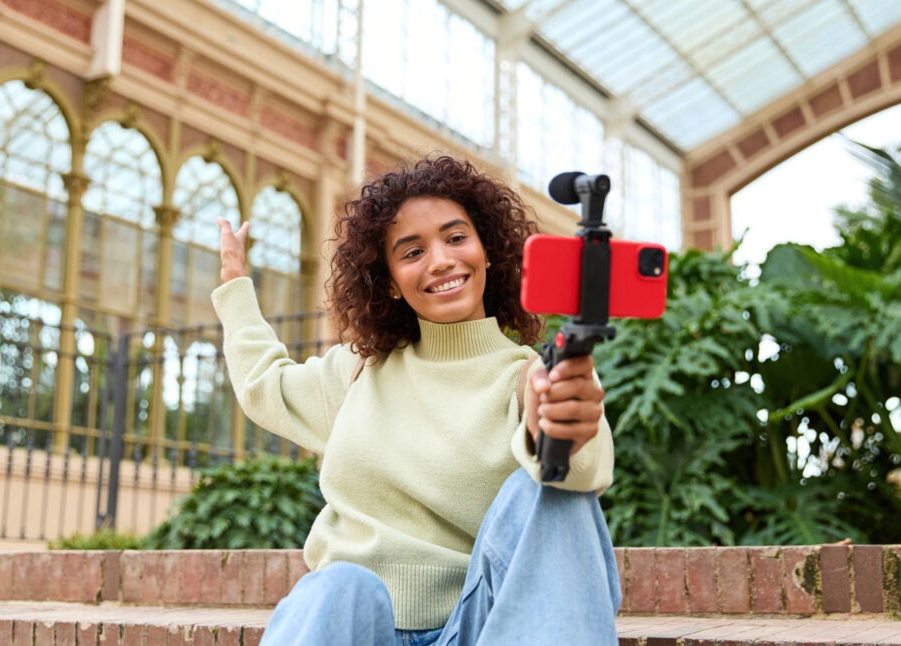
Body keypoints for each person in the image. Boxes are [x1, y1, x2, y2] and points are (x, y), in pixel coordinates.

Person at [212, 155, 621, 645]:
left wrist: (557, 434)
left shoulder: (531, 378)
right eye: (411, 252)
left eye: (455, 238)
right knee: (337, 585)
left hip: (480, 628)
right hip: (362, 631)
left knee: (547, 493)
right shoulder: (359, 372)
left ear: (487, 251)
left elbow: (583, 465)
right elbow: (265, 384)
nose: (441, 261)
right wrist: (236, 288)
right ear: (389, 282)